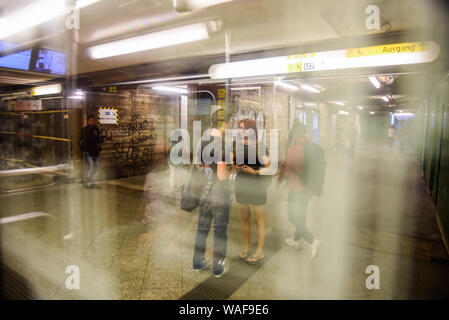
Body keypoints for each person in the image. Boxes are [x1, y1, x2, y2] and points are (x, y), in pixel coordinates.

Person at [192, 111, 233, 278]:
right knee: (220, 230)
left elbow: (197, 164)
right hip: (219, 195)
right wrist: (232, 169)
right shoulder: (222, 145)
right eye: (230, 123)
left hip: (204, 193)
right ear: (225, 124)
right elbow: (222, 175)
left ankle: (197, 262)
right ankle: (218, 267)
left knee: (202, 229)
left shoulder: (203, 141)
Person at [277, 122, 323, 260]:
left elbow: (286, 167)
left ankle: (312, 240)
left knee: (292, 215)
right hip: (310, 188)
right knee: (300, 213)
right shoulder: (314, 147)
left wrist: (279, 181)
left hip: (297, 188)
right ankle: (296, 240)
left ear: (294, 134)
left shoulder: (293, 149)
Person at [234, 118, 270, 265]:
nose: (242, 132)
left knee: (258, 218)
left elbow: (270, 168)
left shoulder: (260, 147)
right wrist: (235, 166)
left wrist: (255, 172)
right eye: (240, 129)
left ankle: (259, 251)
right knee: (244, 217)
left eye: (245, 129)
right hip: (241, 184)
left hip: (257, 185)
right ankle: (247, 247)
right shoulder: (238, 146)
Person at [79, 115, 103, 189]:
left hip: (95, 151)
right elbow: (84, 140)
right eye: (91, 120)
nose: (92, 122)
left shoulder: (96, 129)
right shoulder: (84, 130)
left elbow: (98, 139)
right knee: (89, 167)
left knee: (96, 167)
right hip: (87, 151)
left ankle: (93, 183)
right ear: (88, 121)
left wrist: (99, 143)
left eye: (93, 120)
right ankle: (85, 181)